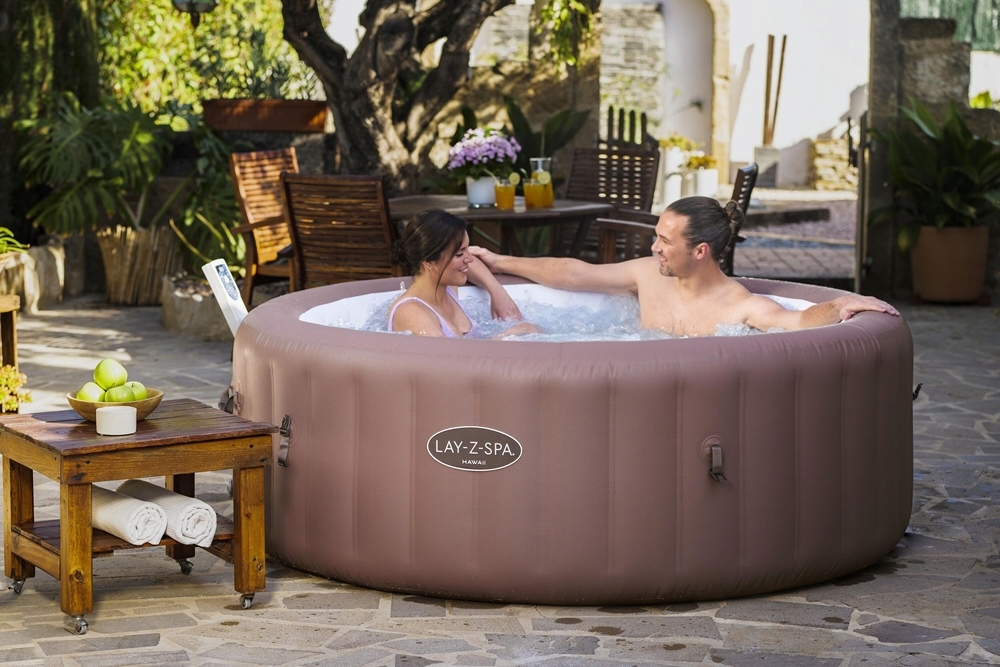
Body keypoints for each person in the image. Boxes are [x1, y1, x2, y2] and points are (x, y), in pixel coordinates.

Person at [470, 196, 898, 337]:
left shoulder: (740, 306)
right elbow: (576, 273)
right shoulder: (645, 275)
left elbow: (799, 321)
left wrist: (841, 304)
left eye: (665, 241)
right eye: (656, 236)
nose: (653, 247)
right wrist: (499, 260)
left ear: (700, 251)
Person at [390, 209, 539, 338]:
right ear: (429, 262)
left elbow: (473, 265)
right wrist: (506, 336)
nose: (470, 258)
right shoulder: (411, 313)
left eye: (467, 248)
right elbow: (448, 359)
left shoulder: (446, 289)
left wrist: (498, 292)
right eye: (460, 254)